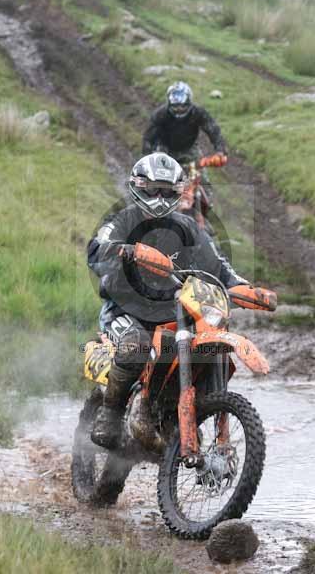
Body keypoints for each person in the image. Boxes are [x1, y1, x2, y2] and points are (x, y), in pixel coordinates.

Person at [87, 153, 274, 449]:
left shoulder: (187, 227)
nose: (160, 198)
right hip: (125, 311)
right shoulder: (121, 221)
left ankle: (189, 414)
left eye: (167, 192)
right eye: (153, 190)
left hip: (173, 313)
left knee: (206, 342)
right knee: (135, 344)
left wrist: (243, 288)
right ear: (139, 187)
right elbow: (96, 249)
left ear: (177, 193)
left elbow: (217, 265)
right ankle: (110, 414)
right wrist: (126, 250)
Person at [142, 81, 228, 211]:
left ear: (189, 103)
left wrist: (220, 150)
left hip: (189, 149)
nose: (179, 110)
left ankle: (206, 206)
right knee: (155, 183)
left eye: (182, 107)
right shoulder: (160, 115)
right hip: (165, 150)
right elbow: (148, 138)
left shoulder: (198, 113)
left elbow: (213, 130)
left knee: (202, 180)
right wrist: (148, 158)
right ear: (169, 104)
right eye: (175, 107)